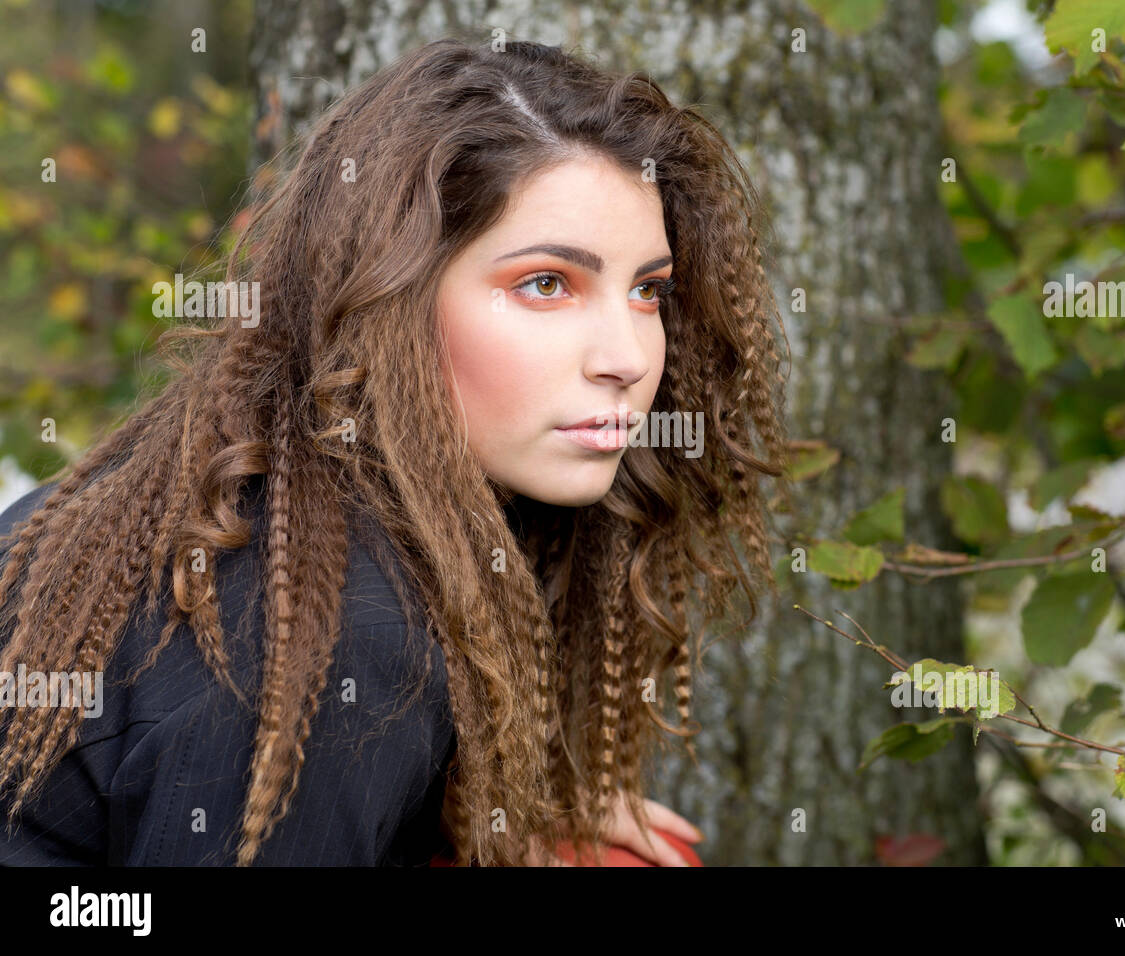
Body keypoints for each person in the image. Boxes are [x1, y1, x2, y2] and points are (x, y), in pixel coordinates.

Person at [0, 35, 788, 867]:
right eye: (547, 284)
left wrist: (496, 812)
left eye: (648, 291)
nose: (626, 357)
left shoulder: (253, 480)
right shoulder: (339, 626)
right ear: (390, 300)